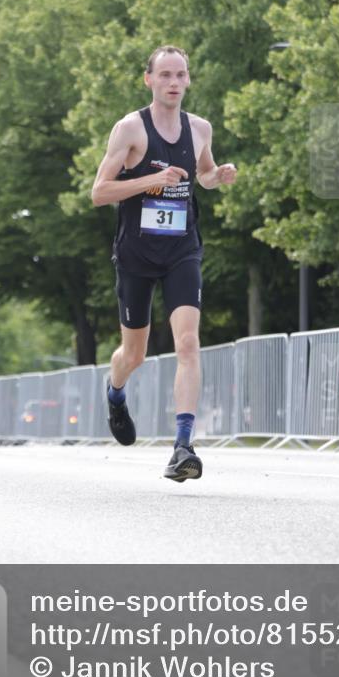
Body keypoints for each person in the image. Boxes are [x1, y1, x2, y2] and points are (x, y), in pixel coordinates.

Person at [91, 45, 237, 481]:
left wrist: (217, 177)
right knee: (133, 354)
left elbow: (203, 175)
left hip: (182, 250)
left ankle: (183, 447)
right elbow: (99, 192)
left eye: (181, 75)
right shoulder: (130, 129)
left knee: (187, 343)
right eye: (165, 75)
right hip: (136, 254)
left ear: (189, 80)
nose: (174, 82)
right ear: (149, 80)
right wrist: (150, 180)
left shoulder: (200, 129)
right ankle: (115, 393)